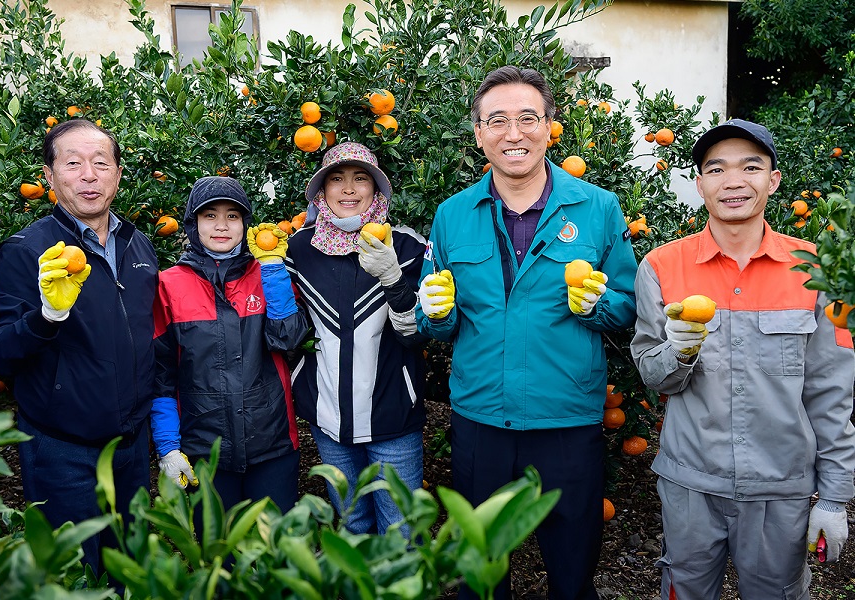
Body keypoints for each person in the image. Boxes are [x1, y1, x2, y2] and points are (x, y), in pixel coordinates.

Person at [416, 66, 638, 599]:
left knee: (571, 572)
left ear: (549, 126)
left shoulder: (598, 208)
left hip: (566, 419)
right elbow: (433, 321)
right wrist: (435, 312)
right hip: (481, 420)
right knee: (481, 575)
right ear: (478, 134)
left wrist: (598, 305)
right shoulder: (452, 215)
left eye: (526, 119)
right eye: (497, 121)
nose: (513, 134)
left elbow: (629, 308)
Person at [630, 119, 855, 599]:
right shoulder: (660, 267)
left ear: (773, 179)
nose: (733, 181)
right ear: (700, 183)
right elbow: (653, 375)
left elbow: (832, 393)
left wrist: (835, 497)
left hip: (783, 489)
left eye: (750, 167)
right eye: (717, 169)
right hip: (690, 485)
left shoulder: (818, 272)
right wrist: (680, 350)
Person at [0, 119, 158, 575]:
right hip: (63, 452)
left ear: (118, 173)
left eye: (101, 163)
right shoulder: (26, 250)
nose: (88, 175)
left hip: (132, 449)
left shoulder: (138, 246)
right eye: (73, 163)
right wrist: (46, 318)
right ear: (49, 175)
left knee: (130, 570)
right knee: (75, 575)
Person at [285, 141, 427, 536]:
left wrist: (394, 279)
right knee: (352, 524)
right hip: (328, 420)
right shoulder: (299, 248)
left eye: (360, 178)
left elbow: (417, 333)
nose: (348, 189)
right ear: (322, 192)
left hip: (392, 418)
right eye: (337, 179)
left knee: (402, 533)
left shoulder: (408, 247)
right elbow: (292, 328)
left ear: (376, 189)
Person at [149, 176, 308, 514]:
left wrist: (274, 271)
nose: (221, 226)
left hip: (273, 442)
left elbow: (288, 338)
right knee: (219, 555)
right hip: (204, 447)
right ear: (193, 224)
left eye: (232, 216)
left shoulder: (268, 272)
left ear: (245, 224)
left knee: (275, 552)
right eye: (210, 216)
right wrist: (167, 445)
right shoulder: (169, 285)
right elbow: (162, 374)